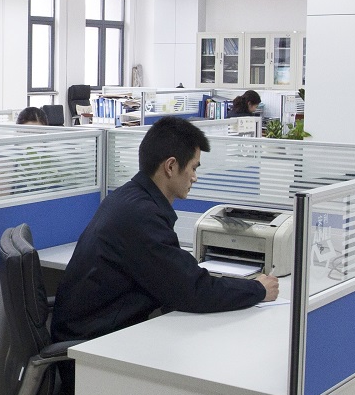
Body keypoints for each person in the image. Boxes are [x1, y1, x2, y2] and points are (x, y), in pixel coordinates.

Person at [51, 117, 278, 341]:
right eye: (193, 168)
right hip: (91, 344)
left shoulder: (128, 197)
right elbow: (193, 290)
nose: (195, 177)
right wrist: (258, 289)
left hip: (92, 329)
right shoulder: (141, 216)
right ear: (170, 166)